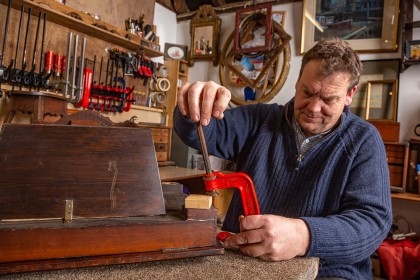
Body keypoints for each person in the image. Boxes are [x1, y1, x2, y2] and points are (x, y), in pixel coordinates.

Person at [173, 37, 392, 279]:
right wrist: (192, 106)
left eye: (329, 99)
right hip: (242, 264)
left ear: (350, 94)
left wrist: (303, 237)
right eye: (307, 92)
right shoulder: (260, 120)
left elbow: (371, 223)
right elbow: (200, 134)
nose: (314, 108)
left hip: (327, 272)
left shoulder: (364, 141)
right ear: (298, 82)